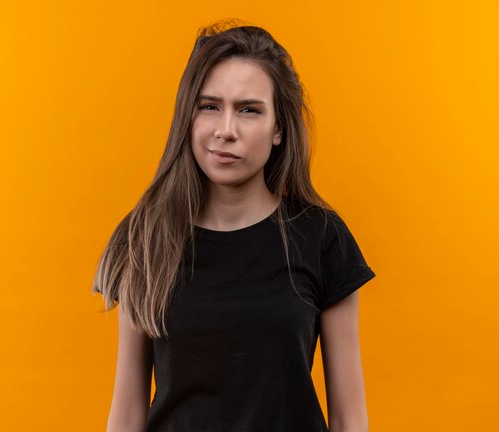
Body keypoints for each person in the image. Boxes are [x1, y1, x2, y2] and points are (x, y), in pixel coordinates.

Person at [93, 19, 376, 432]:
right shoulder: (144, 238)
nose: (225, 131)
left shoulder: (321, 238)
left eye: (249, 110)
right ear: (187, 118)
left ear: (278, 128)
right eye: (209, 106)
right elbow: (127, 413)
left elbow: (350, 419)